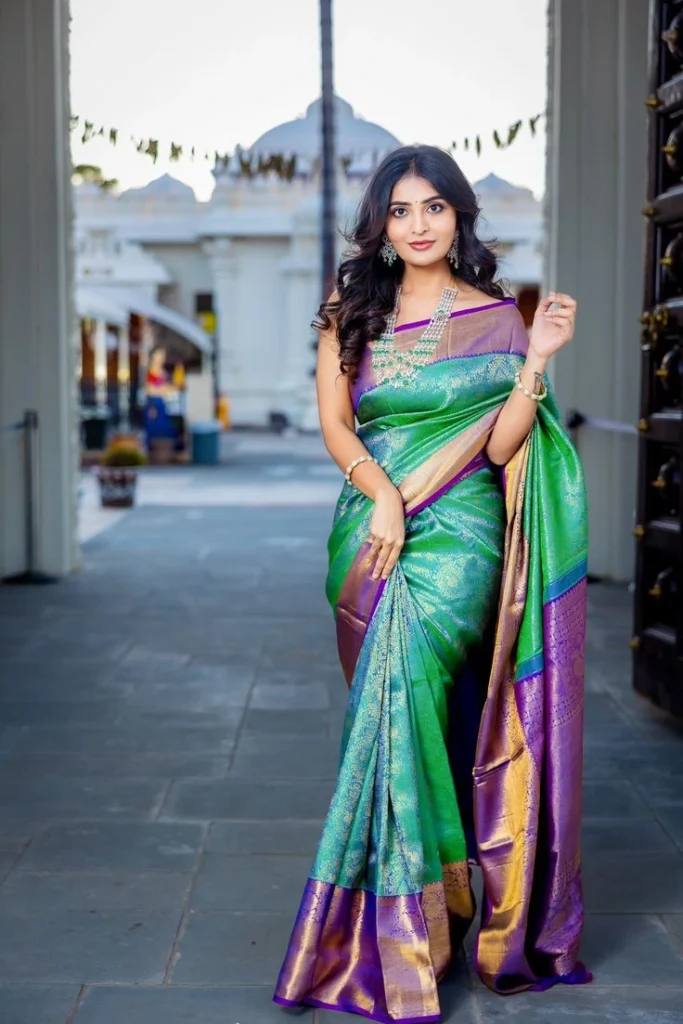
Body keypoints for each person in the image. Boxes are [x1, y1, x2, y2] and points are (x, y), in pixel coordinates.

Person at [273, 145, 591, 1023]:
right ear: (379, 222)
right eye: (400, 210)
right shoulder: (351, 313)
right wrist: (379, 496)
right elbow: (337, 428)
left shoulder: (495, 316)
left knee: (403, 679)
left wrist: (541, 355)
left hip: (462, 530)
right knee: (399, 701)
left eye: (434, 208)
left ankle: (402, 926)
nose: (417, 226)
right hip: (373, 525)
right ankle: (439, 906)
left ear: (459, 217)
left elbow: (497, 447)